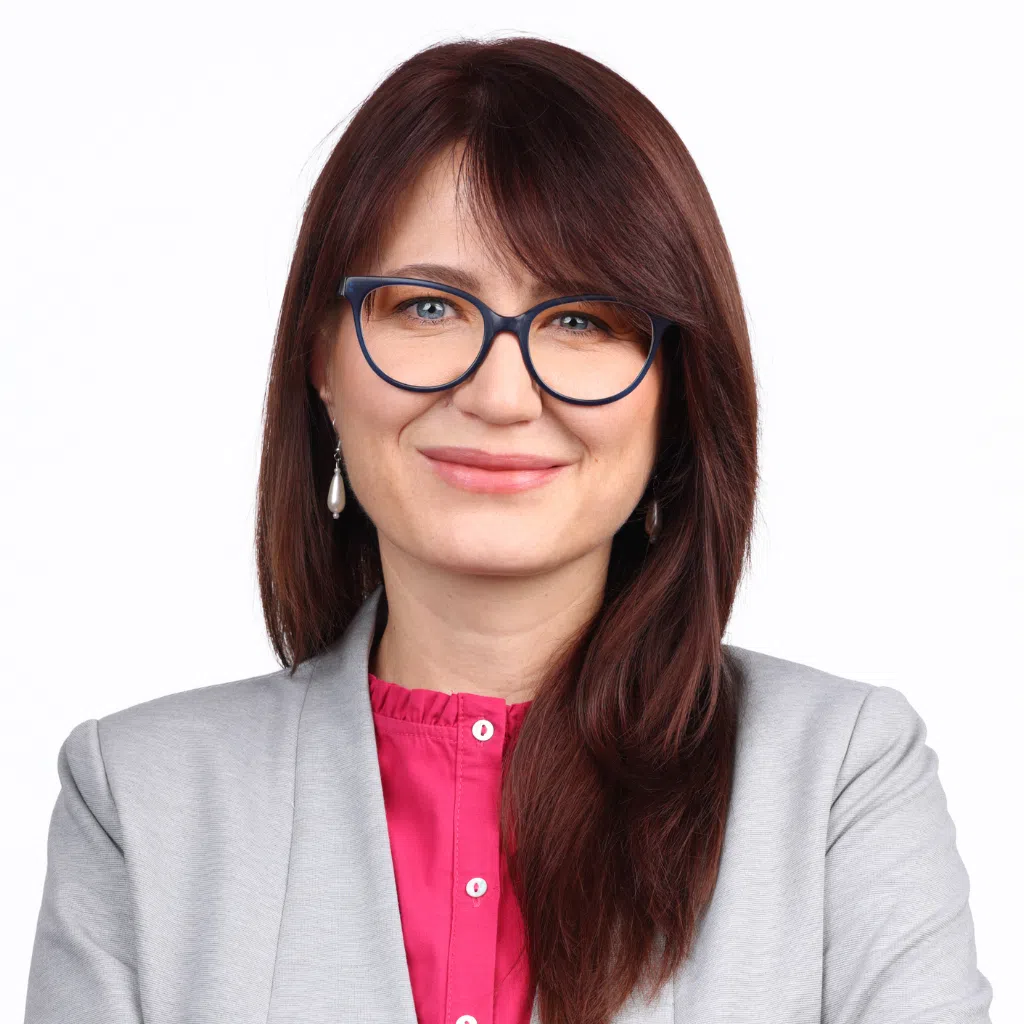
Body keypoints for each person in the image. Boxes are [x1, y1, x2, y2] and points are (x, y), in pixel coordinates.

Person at [23, 35, 993, 1024]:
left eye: (581, 320)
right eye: (428, 306)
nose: (500, 394)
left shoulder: (838, 781)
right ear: (322, 358)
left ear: (675, 388)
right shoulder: (138, 800)